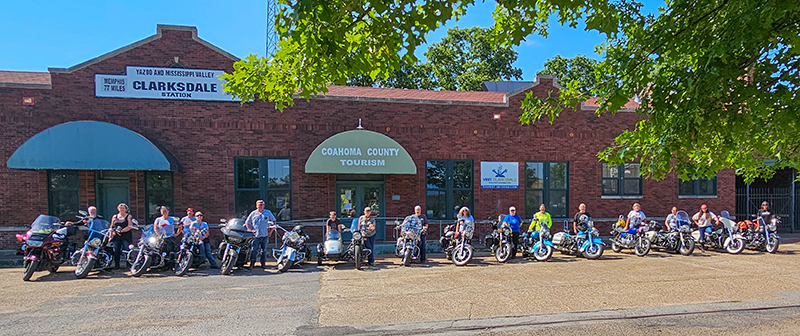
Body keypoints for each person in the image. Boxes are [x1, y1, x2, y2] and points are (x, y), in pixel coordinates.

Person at [245, 200, 276, 269]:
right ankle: (252, 264)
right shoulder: (253, 213)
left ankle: (263, 264)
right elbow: (247, 222)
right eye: (259, 204)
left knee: (264, 250)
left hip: (264, 235)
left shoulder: (268, 212)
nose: (260, 206)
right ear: (256, 206)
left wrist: (270, 231)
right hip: (255, 235)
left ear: (264, 206)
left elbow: (274, 221)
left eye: (262, 204)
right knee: (253, 250)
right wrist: (250, 230)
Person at [109, 203, 134, 269]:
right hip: (116, 236)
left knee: (126, 250)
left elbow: (130, 226)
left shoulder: (128, 216)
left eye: (123, 208)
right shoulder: (115, 216)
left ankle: (129, 265)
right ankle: (117, 265)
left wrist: (122, 230)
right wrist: (110, 236)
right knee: (116, 250)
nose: (122, 209)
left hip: (125, 235)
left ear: (126, 209)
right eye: (120, 208)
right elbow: (111, 227)